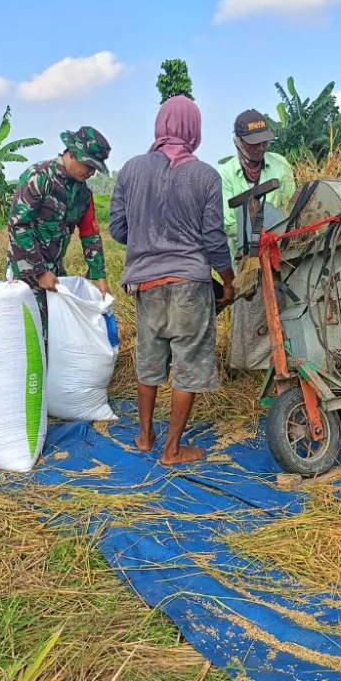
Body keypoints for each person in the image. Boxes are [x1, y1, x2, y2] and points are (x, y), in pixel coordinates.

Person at [110, 96, 235, 466]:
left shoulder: (131, 170)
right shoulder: (206, 175)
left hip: (146, 287)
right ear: (193, 130)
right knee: (189, 365)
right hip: (190, 287)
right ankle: (173, 449)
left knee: (149, 363)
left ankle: (146, 436)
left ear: (160, 126)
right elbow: (214, 239)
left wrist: (147, 238)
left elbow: (118, 228)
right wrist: (227, 281)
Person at [6, 126, 112, 327]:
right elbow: (18, 225)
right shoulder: (39, 178)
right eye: (88, 165)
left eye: (95, 168)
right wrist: (40, 270)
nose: (91, 172)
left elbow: (90, 234)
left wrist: (99, 276)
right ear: (72, 154)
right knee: (32, 337)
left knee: (60, 333)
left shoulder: (83, 194)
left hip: (55, 272)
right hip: (25, 274)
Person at [218, 110, 296, 371]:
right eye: (253, 142)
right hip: (244, 258)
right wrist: (255, 235)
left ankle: (280, 363)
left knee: (280, 304)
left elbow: (289, 206)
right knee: (248, 308)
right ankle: (245, 366)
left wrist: (275, 234)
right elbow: (229, 221)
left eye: (264, 141)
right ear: (237, 141)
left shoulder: (281, 165)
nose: (260, 147)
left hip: (279, 252)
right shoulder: (226, 174)